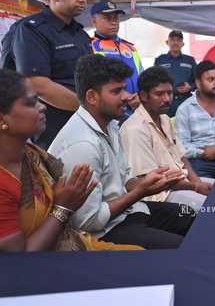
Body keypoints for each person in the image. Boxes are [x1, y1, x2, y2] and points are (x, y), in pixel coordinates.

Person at [0, 69, 141, 263]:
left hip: (74, 248)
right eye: (31, 102)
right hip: (38, 277)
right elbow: (14, 266)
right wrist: (63, 207)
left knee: (148, 258)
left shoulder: (29, 153)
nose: (42, 107)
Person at [48, 55, 195, 249]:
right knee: (180, 246)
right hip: (105, 231)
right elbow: (88, 223)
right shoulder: (84, 145)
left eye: (124, 88)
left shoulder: (110, 126)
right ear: (92, 97)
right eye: (117, 91)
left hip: (128, 211)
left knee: (190, 215)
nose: (127, 96)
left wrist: (152, 182)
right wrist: (142, 190)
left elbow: (125, 181)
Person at [0, 0, 92, 150]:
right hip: (50, 133)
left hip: (83, 126)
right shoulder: (31, 30)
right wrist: (90, 111)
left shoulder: (80, 34)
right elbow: (38, 84)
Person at [120, 66, 214, 212]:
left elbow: (182, 158)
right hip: (160, 196)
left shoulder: (164, 118)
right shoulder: (135, 129)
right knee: (213, 207)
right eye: (159, 94)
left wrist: (197, 183)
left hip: (183, 183)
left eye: (169, 93)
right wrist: (195, 186)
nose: (167, 99)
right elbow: (153, 182)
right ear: (144, 96)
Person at [90, 0, 143, 122]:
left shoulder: (130, 48)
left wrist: (140, 96)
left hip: (136, 110)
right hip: (110, 115)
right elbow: (94, 83)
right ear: (94, 21)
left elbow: (142, 77)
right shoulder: (90, 47)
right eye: (107, 18)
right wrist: (123, 95)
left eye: (116, 18)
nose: (113, 22)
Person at [154, 30, 197, 117]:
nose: (175, 43)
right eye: (173, 40)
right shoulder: (160, 60)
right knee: (166, 128)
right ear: (167, 42)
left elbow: (198, 81)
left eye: (178, 40)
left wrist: (190, 87)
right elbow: (155, 82)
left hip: (186, 101)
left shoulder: (190, 60)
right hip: (166, 102)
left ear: (183, 44)